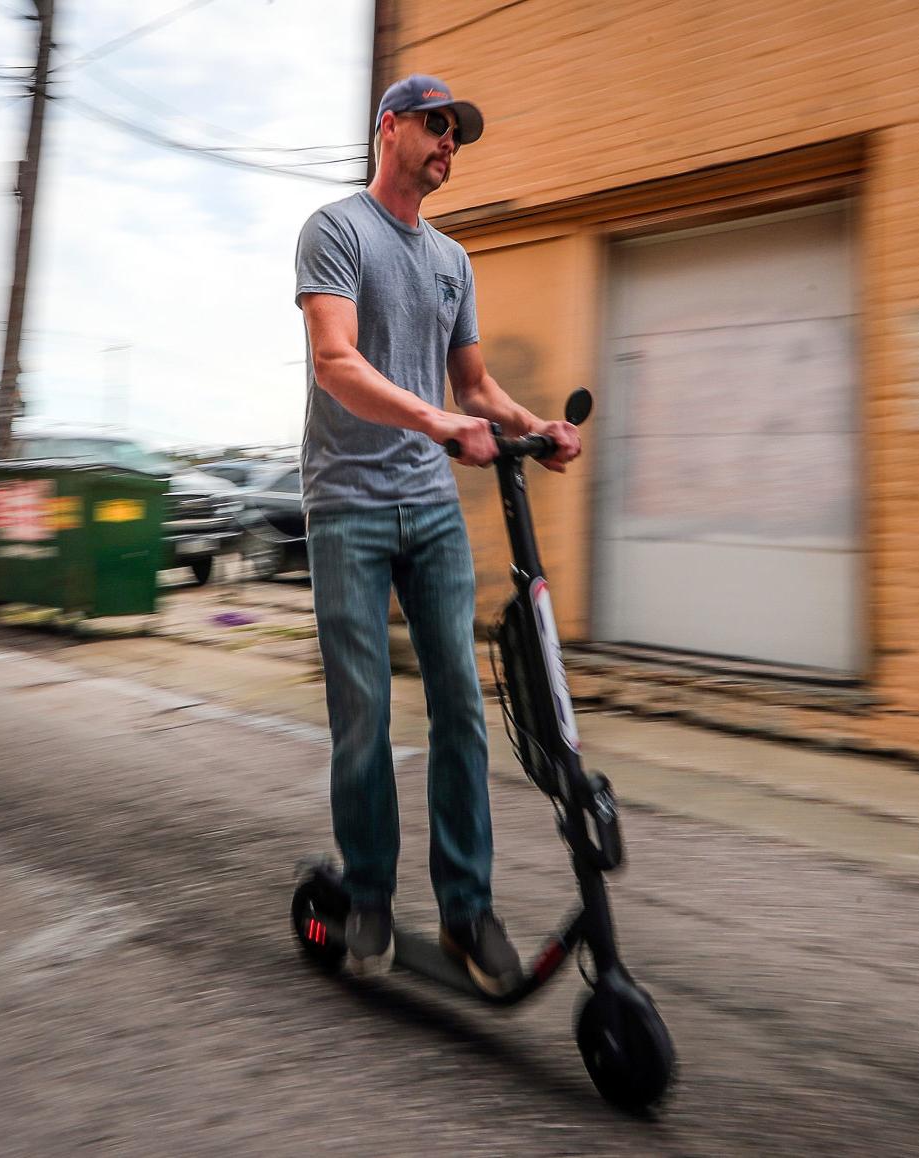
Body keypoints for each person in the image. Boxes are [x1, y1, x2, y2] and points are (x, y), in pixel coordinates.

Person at [294, 74, 582, 993]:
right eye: (433, 123)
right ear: (389, 129)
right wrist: (437, 425)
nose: (448, 141)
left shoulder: (454, 262)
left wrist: (536, 428)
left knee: (462, 703)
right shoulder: (336, 230)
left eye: (457, 132)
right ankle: (368, 892)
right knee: (364, 714)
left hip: (428, 509)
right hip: (347, 504)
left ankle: (466, 910)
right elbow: (335, 363)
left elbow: (477, 393)